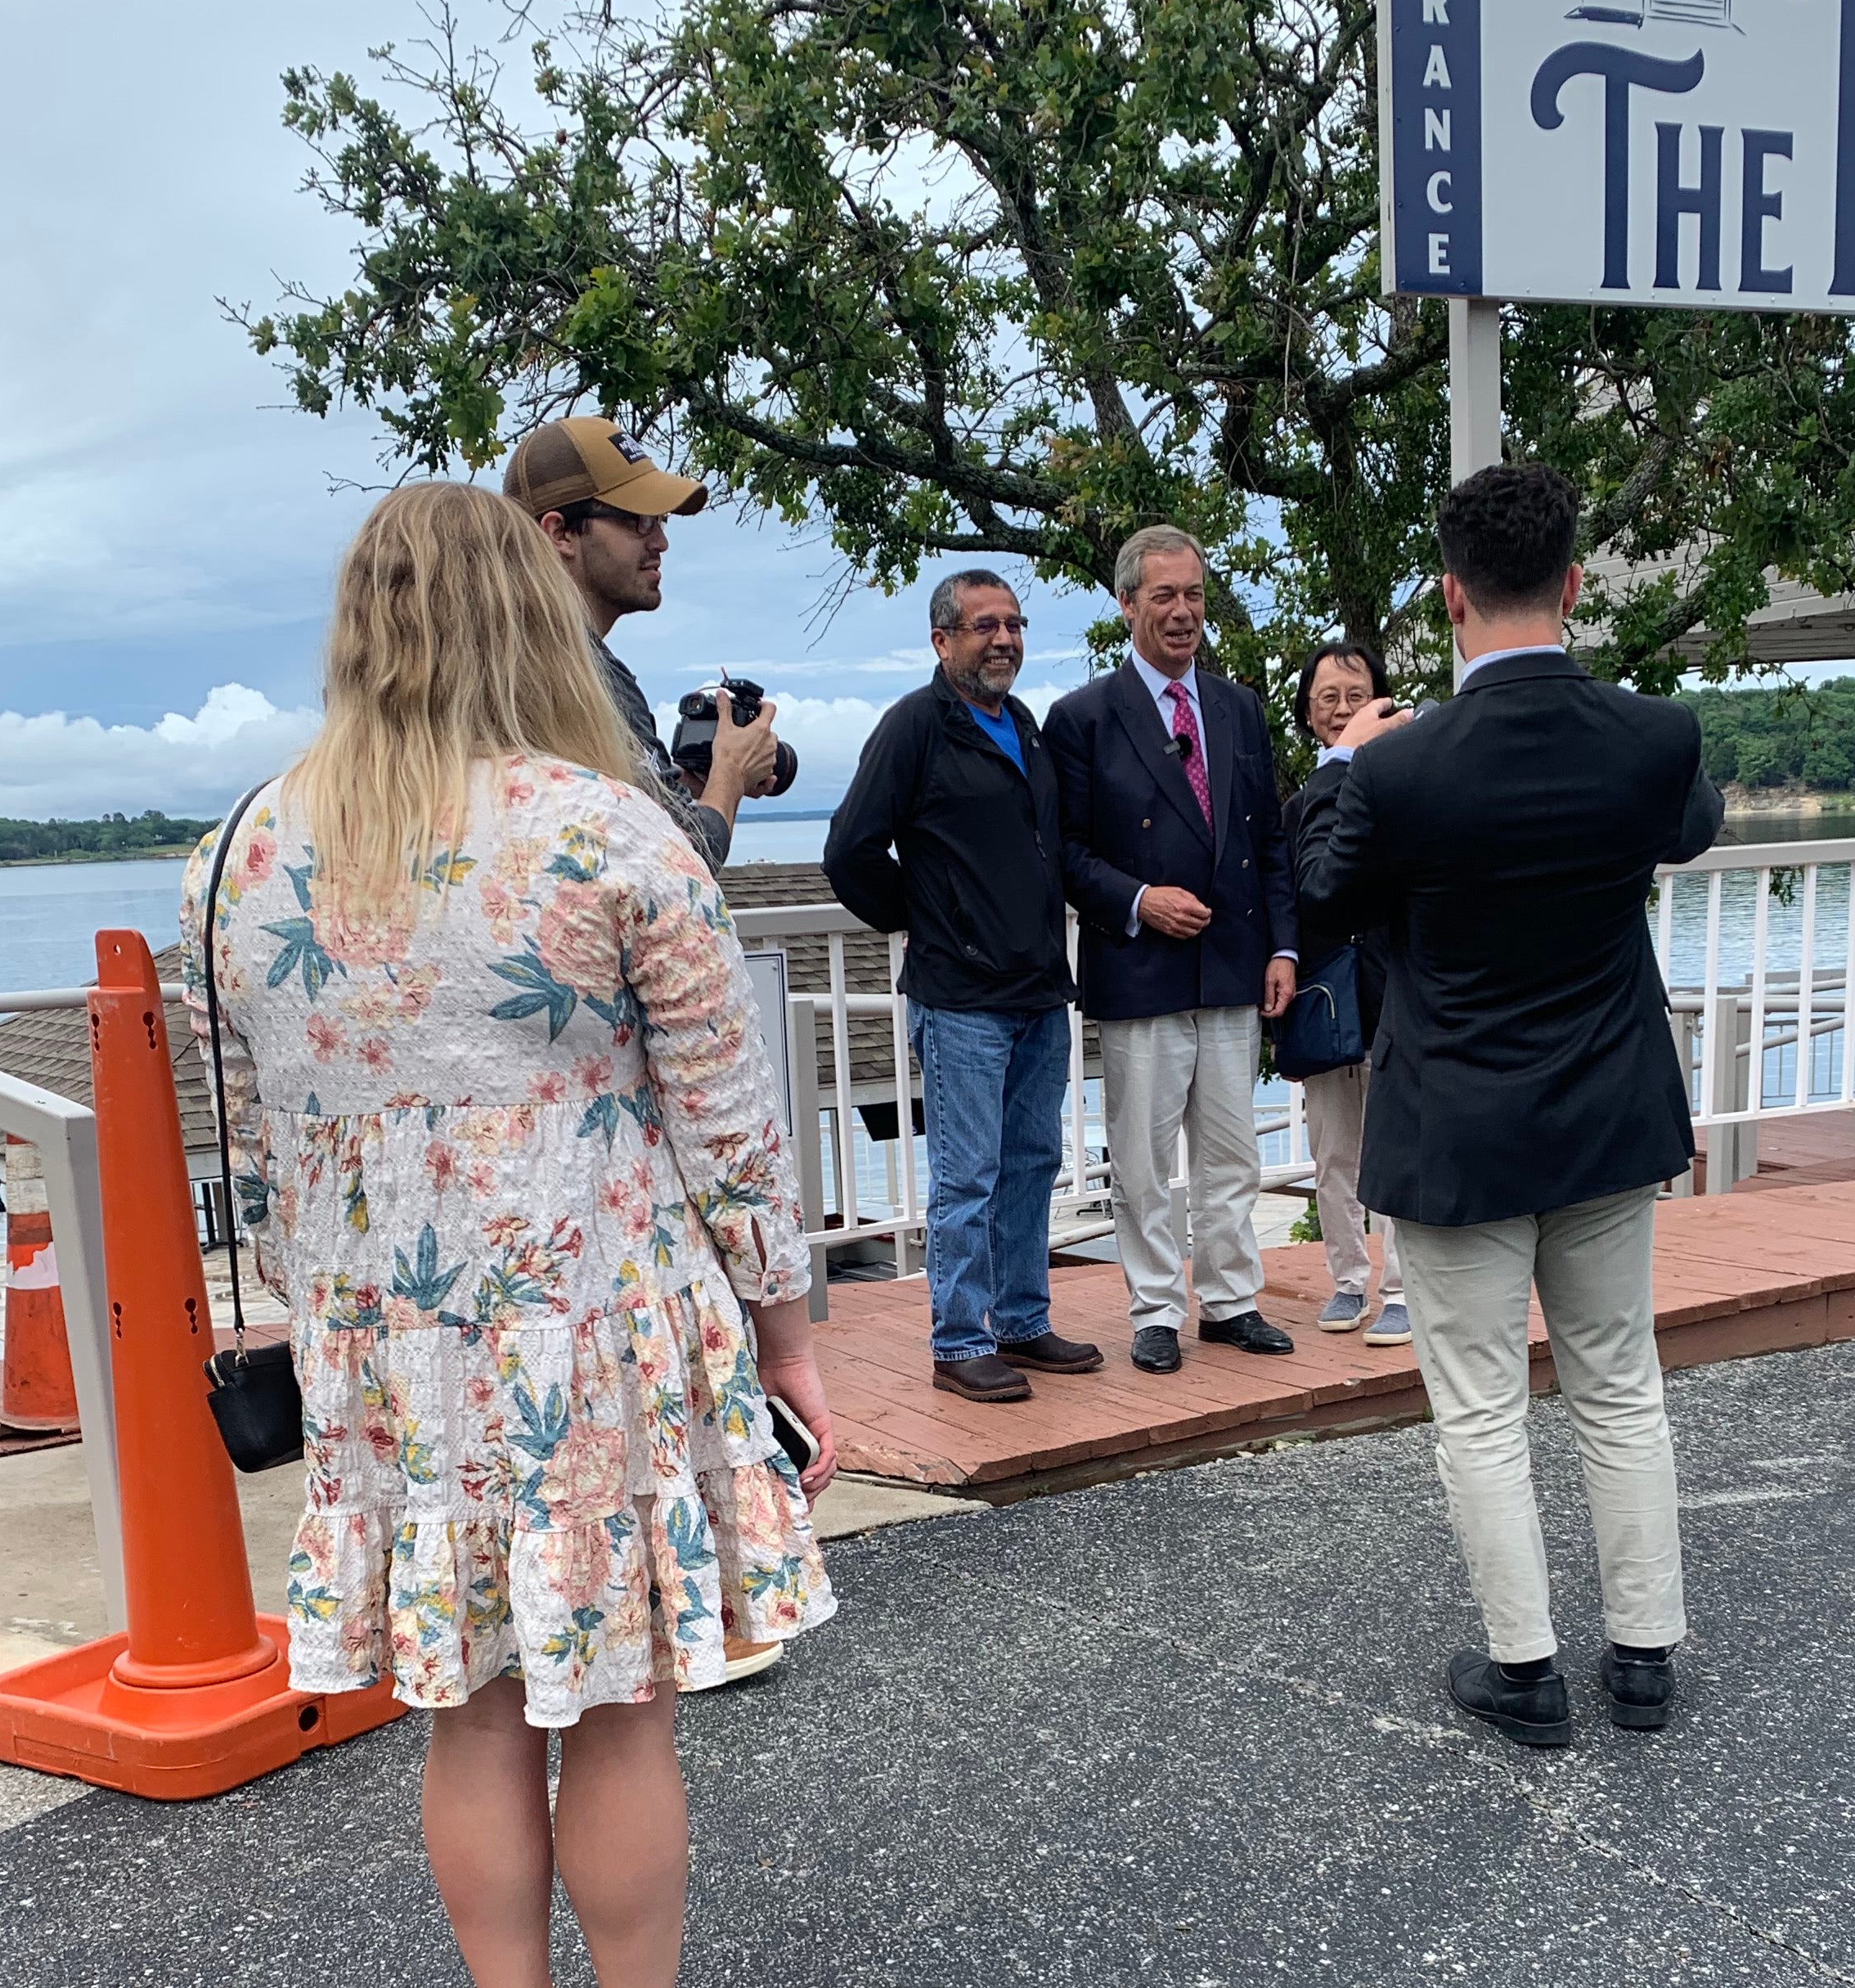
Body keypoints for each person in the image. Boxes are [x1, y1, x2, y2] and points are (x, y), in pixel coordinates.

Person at [186, 481, 838, 1988]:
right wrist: (788, 1340)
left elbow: (259, 1139)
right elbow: (730, 1125)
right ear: (528, 614)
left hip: (385, 1361)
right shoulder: (606, 827)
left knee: (467, 1713)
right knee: (616, 1706)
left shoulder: (244, 851)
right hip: (590, 1334)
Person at [1306, 460, 1718, 1749]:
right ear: (1575, 583)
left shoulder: (1402, 772)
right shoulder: (1653, 738)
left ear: (1449, 600)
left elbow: (1321, 898)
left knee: (1480, 1408)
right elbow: (1691, 829)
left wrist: (1339, 759)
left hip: (1459, 1131)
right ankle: (1644, 1658)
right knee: (1620, 1384)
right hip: (1605, 1113)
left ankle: (1525, 1670)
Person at [824, 571, 1103, 1403]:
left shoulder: (1021, 724)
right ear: (943, 640)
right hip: (962, 999)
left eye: (1015, 624)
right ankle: (959, 1340)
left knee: (1030, 1163)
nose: (1004, 639)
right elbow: (851, 853)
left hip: (1038, 991)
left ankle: (1023, 1319)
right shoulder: (915, 727)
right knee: (967, 1176)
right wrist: (929, 920)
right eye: (985, 625)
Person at [1044, 526, 1299, 1375]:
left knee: (1232, 1153)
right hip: (1140, 969)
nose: (1183, 612)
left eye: (1193, 595)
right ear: (1126, 605)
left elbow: (1269, 844)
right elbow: (1066, 853)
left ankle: (1229, 1302)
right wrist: (1140, 900)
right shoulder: (1081, 718)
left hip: (1232, 964)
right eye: (1164, 597)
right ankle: (1155, 1309)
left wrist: (1284, 949)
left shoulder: (1236, 708)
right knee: (1146, 1161)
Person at [503, 413, 779, 874]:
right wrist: (729, 772)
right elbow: (685, 861)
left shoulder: (505, 658)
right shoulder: (587, 678)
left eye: (661, 519)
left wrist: (685, 788)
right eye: (638, 520)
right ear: (560, 533)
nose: (662, 541)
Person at [1280, 641, 1408, 1348]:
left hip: (1395, 987)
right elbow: (1293, 894)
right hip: (1326, 992)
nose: (1341, 709)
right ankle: (1348, 1278)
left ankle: (1400, 1289)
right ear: (1307, 713)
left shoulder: (1404, 783)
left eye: (1355, 694)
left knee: (1393, 1145)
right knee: (1333, 1153)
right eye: (1326, 697)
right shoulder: (1302, 804)